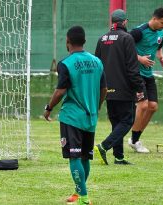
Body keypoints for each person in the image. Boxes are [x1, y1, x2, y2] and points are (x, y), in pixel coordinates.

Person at [44, 26, 107, 205]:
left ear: (67, 41)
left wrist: (49, 108)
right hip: (90, 117)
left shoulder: (66, 63)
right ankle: (79, 194)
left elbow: (60, 91)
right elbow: (103, 89)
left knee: (74, 156)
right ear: (84, 41)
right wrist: (97, 106)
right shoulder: (97, 61)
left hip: (72, 117)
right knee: (85, 156)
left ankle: (84, 198)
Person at [94, 9, 144, 165]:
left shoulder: (102, 39)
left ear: (112, 22)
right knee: (127, 121)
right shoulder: (127, 38)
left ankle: (119, 157)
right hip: (124, 89)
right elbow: (132, 67)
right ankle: (104, 146)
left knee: (117, 123)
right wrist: (139, 87)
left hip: (107, 89)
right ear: (125, 22)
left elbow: (97, 65)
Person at [128, 8, 163, 153]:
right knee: (144, 105)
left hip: (148, 74)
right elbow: (124, 46)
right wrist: (139, 58)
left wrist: (160, 57)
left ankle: (135, 139)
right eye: (162, 23)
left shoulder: (161, 33)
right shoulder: (139, 31)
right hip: (136, 73)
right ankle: (134, 140)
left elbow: (158, 47)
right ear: (154, 18)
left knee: (153, 107)